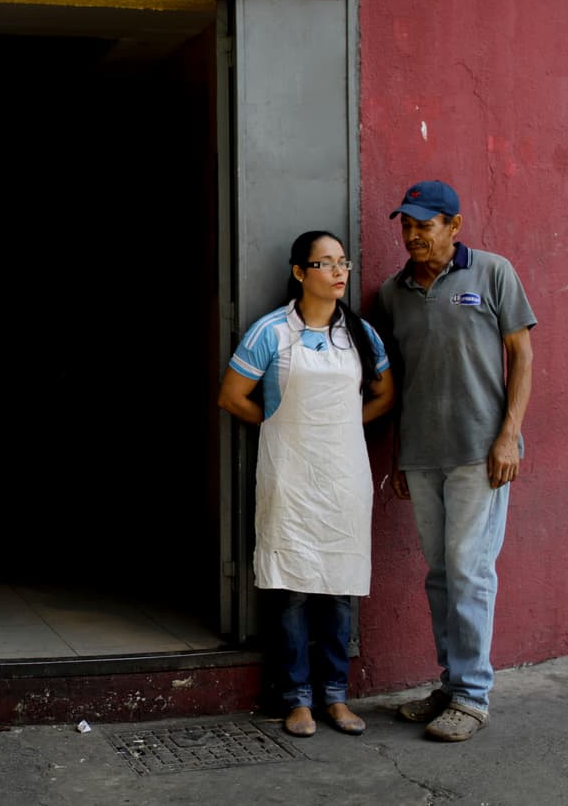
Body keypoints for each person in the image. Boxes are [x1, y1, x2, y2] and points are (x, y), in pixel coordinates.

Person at [375, 180, 536, 742]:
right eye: (407, 225)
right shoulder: (392, 293)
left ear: (454, 225)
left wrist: (508, 435)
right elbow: (400, 383)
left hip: (479, 451)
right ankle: (451, 683)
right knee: (442, 574)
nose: (414, 235)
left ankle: (472, 696)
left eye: (426, 224)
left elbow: (522, 354)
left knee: (470, 569)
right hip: (421, 455)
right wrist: (398, 456)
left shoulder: (493, 272)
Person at [218, 230, 394, 739]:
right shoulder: (270, 332)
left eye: (344, 262)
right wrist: (278, 421)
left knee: (339, 591)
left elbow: (385, 394)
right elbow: (232, 396)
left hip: (343, 476)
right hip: (290, 474)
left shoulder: (361, 334)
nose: (339, 272)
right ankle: (296, 699)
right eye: (326, 264)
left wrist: (340, 426)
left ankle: (336, 696)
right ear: (300, 273)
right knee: (291, 590)